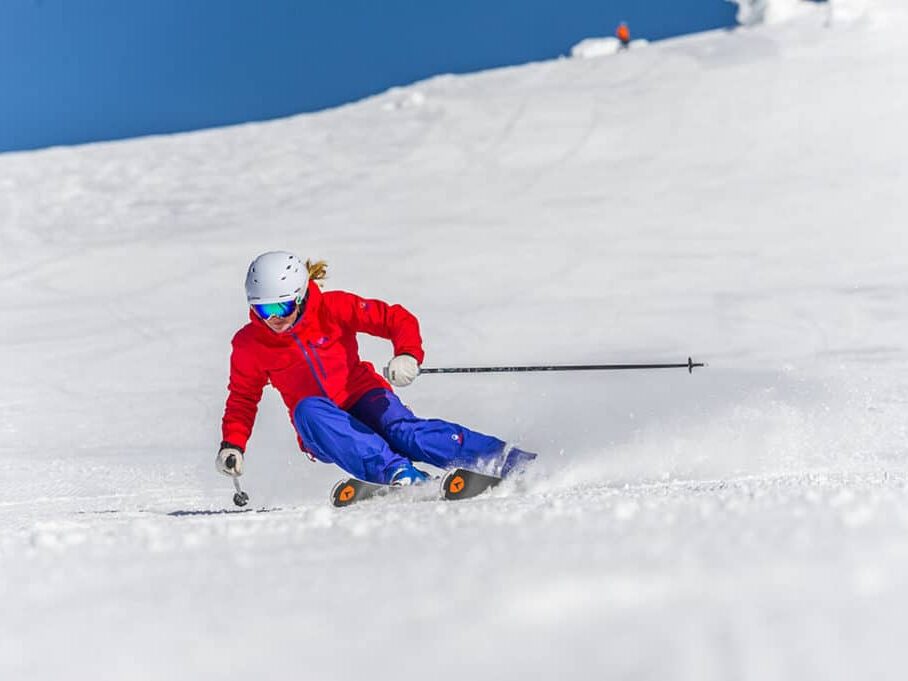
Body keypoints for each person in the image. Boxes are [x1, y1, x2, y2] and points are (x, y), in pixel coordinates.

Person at [217, 251, 537, 487]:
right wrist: (233, 444)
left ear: (299, 297)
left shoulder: (333, 308)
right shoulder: (249, 345)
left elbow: (394, 319)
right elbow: (243, 398)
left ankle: (505, 460)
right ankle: (398, 472)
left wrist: (407, 354)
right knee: (307, 410)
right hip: (323, 427)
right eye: (262, 309)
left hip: (363, 393)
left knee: (405, 433)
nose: (273, 318)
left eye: (281, 306)